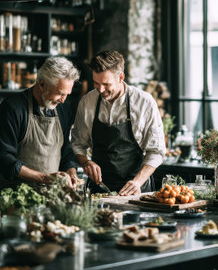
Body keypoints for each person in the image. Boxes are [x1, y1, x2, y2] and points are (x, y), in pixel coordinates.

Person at [71, 50, 166, 196]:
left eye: (106, 84)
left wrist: (137, 182)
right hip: (99, 190)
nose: (101, 90)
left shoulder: (144, 102)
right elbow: (77, 143)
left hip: (137, 189)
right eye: (96, 83)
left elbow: (157, 151)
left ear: (121, 77)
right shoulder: (87, 102)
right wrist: (85, 162)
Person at [0, 57, 80, 194]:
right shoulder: (13, 108)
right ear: (42, 84)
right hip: (16, 197)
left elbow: (66, 152)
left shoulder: (63, 110)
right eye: (59, 93)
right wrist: (44, 178)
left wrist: (71, 172)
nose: (63, 100)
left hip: (52, 197)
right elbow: (2, 158)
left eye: (66, 94)